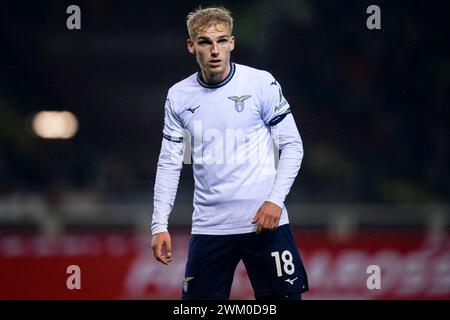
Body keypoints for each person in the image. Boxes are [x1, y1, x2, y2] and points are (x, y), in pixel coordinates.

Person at [151, 6, 308, 300]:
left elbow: (292, 145)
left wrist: (275, 200)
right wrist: (159, 224)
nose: (215, 50)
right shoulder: (178, 96)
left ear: (232, 43)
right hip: (210, 228)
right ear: (191, 46)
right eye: (205, 42)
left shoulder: (261, 83)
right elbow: (169, 163)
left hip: (265, 224)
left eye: (222, 41)